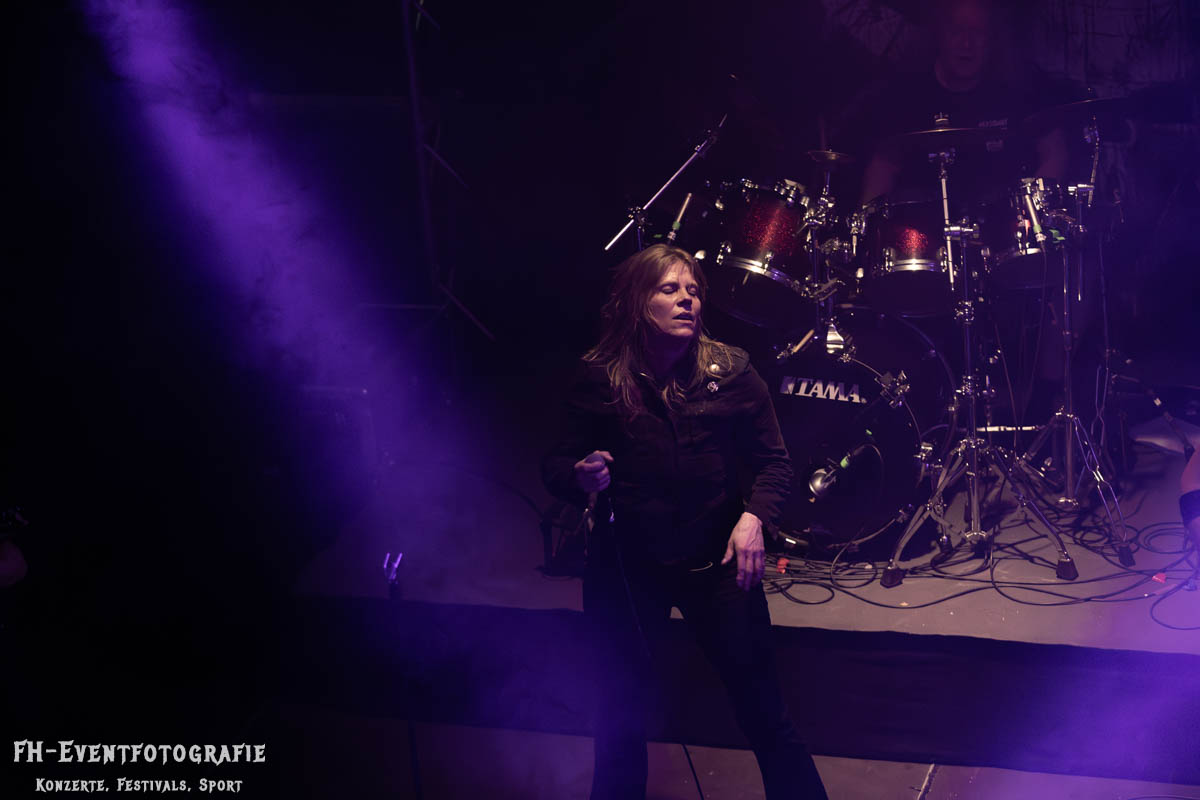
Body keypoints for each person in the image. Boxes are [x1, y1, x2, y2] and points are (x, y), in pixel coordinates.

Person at [542, 244, 828, 799]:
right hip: (628, 567)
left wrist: (754, 518)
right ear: (636, 301)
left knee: (765, 713)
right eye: (670, 289)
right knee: (619, 719)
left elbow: (775, 463)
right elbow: (555, 462)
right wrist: (579, 475)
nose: (686, 300)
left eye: (693, 291)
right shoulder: (599, 376)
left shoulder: (733, 372)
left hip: (716, 565)